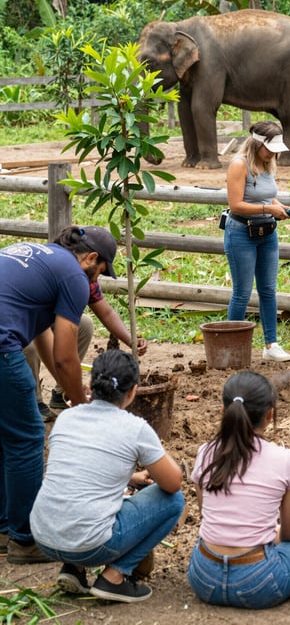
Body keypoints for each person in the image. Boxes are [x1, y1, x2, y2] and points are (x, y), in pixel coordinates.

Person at [0, 225, 116, 565]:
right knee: (28, 436)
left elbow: (43, 339)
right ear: (91, 259)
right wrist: (83, 409)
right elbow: (67, 356)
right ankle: (25, 540)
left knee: (5, 435)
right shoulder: (74, 277)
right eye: (101, 273)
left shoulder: (38, 257)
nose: (96, 282)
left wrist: (71, 391)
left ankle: (5, 526)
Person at [30, 349, 184, 602]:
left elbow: (84, 469)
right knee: (174, 501)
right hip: (91, 544)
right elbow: (173, 482)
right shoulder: (135, 427)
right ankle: (115, 577)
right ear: (133, 391)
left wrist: (130, 478)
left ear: (91, 385)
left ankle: (73, 569)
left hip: (44, 536)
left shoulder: (66, 417)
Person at [187, 371, 290, 608]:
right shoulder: (285, 460)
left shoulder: (205, 452)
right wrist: (284, 528)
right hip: (257, 583)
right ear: (270, 414)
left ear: (223, 410)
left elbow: (207, 513)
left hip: (203, 577)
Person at [224, 121, 290, 363]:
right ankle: (231, 346)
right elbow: (236, 204)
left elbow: (268, 195)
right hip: (241, 232)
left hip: (267, 232)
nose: (274, 153)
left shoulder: (268, 163)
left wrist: (282, 208)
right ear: (257, 143)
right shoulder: (238, 165)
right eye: (270, 148)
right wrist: (267, 208)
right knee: (242, 293)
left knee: (268, 290)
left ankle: (271, 344)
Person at [25, 283, 149, 421]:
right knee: (30, 346)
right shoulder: (51, 273)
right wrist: (74, 388)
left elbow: (106, 312)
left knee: (84, 325)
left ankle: (61, 394)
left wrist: (131, 340)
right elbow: (41, 331)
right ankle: (34, 400)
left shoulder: (85, 275)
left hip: (43, 315)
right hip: (17, 318)